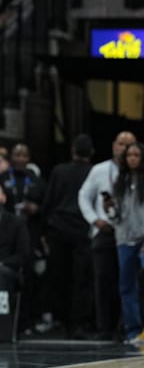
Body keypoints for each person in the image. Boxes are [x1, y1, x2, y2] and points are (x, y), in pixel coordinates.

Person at [79, 131, 136, 340]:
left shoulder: (137, 173)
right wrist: (94, 219)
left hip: (130, 234)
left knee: (128, 281)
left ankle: (128, 326)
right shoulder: (100, 170)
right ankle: (104, 328)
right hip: (105, 231)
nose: (123, 148)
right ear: (113, 145)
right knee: (103, 280)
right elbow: (84, 196)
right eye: (120, 144)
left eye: (129, 145)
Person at [40, 134, 95, 338]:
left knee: (58, 276)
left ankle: (60, 321)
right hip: (83, 229)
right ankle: (79, 323)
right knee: (82, 278)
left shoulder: (59, 171)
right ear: (91, 153)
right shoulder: (94, 171)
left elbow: (48, 202)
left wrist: (44, 231)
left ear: (72, 150)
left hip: (59, 229)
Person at [108, 142, 144, 343]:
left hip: (142, 238)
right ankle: (133, 331)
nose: (132, 158)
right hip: (124, 239)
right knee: (127, 286)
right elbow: (116, 216)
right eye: (129, 155)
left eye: (136, 155)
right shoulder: (119, 182)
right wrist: (109, 208)